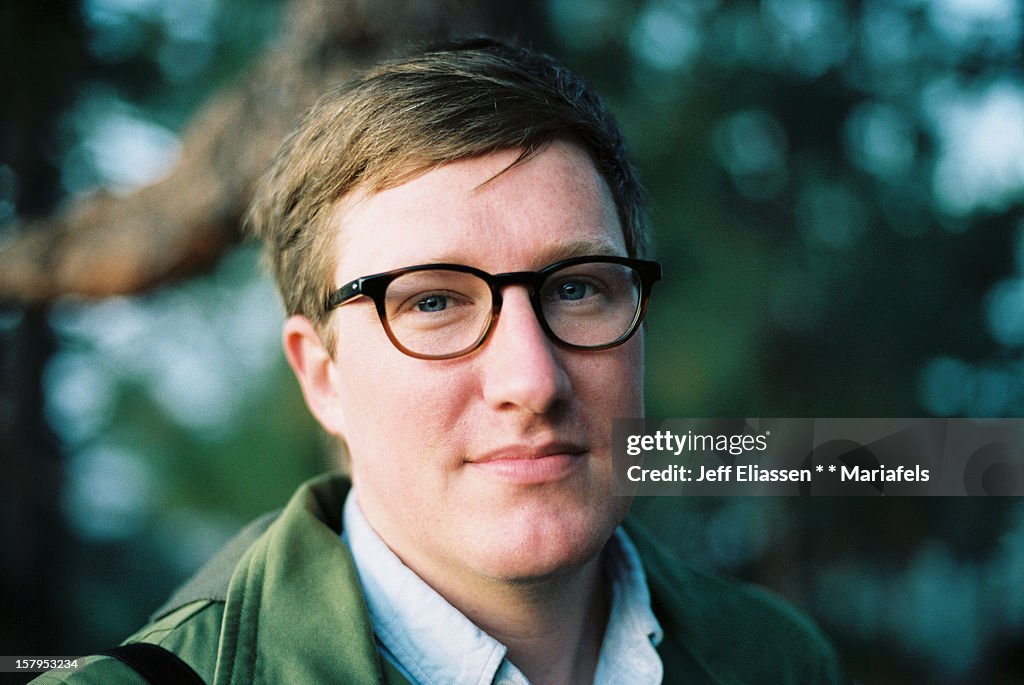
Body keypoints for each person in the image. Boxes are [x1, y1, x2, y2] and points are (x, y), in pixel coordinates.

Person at [36, 38, 848, 684]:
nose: (532, 381)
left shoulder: (777, 658)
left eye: (575, 289)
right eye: (432, 302)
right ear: (322, 375)